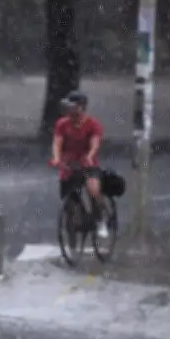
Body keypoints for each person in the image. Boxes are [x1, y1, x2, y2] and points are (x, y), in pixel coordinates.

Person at [49, 89, 109, 238]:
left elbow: (95, 143)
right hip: (69, 163)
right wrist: (57, 158)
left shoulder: (93, 124)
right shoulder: (62, 124)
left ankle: (101, 219)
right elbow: (57, 142)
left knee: (93, 188)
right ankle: (73, 224)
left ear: (81, 107)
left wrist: (89, 156)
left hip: (87, 162)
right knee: (69, 195)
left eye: (74, 106)